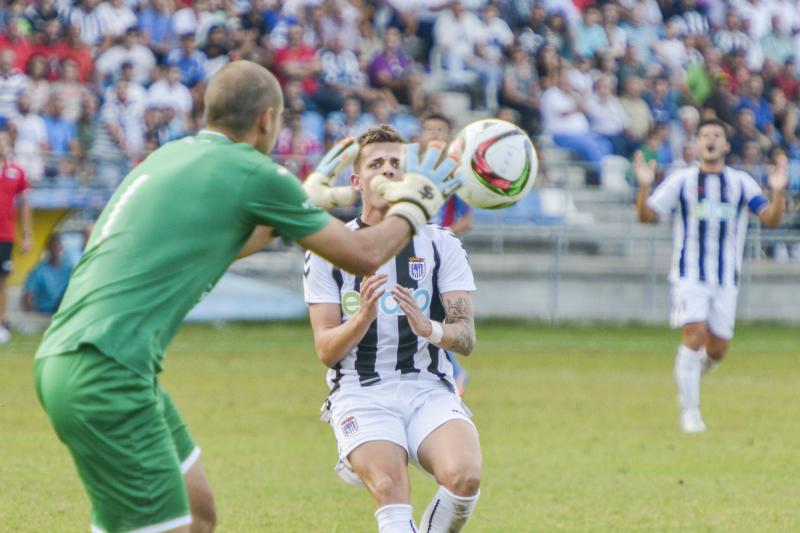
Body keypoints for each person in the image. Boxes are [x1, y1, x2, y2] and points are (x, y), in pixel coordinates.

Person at [33, 60, 462, 533]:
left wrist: (303, 206)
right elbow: (365, 254)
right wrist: (420, 199)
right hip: (105, 369)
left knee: (197, 514)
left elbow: (225, 246)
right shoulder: (253, 172)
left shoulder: (170, 157)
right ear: (267, 120)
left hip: (84, 360)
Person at [306, 125, 481, 533]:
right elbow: (326, 350)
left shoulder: (441, 244)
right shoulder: (328, 250)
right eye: (376, 163)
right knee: (389, 484)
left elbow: (466, 336)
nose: (387, 171)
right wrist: (363, 317)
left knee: (465, 477)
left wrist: (432, 329)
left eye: (396, 164)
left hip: (427, 386)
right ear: (356, 180)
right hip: (360, 391)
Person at [634, 118, 788, 433]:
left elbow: (771, 220)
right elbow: (646, 216)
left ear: (726, 146)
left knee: (717, 349)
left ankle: (693, 372)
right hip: (689, 274)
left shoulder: (741, 182)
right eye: (706, 135)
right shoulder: (682, 181)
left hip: (726, 279)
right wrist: (644, 185)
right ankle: (690, 412)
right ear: (696, 144)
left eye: (718, 135)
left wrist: (778, 193)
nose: (711, 140)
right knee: (694, 335)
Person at [0, 129, 31, 343]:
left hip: (5, 235)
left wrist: (27, 234)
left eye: (4, 142)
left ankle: (2, 323)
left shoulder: (17, 172)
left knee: (3, 281)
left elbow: (24, 204)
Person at [22, 233, 71, 313]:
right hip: (44, 311)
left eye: (58, 247)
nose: (56, 250)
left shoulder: (68, 270)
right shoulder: (38, 270)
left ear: (62, 248)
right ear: (48, 248)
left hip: (63, 312)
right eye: (53, 247)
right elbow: (28, 295)